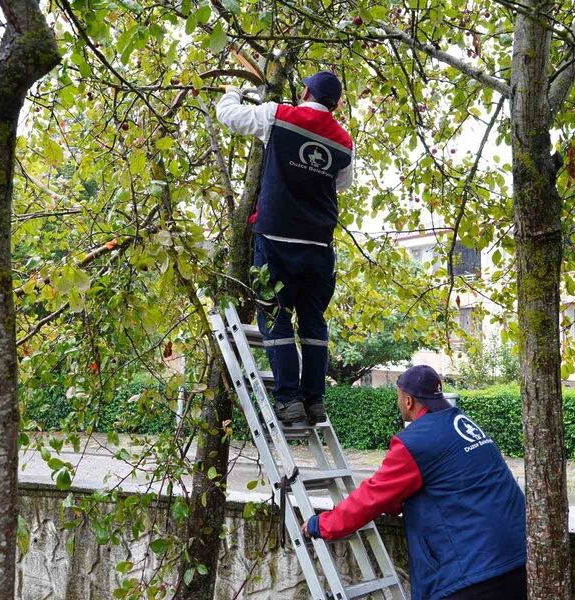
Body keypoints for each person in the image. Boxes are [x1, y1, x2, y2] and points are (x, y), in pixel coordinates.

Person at [301, 365, 527, 600]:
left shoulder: (416, 441)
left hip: (472, 574)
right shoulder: (463, 424)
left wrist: (321, 524)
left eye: (398, 397)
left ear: (408, 401)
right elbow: (446, 484)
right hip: (517, 560)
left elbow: (372, 496)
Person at [215, 71, 353, 426]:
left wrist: (235, 92)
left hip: (276, 240)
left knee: (276, 319)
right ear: (335, 104)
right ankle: (314, 400)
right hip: (319, 246)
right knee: (312, 323)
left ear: (305, 91)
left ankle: (290, 400)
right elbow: (342, 185)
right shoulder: (344, 142)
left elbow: (229, 116)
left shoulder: (279, 115)